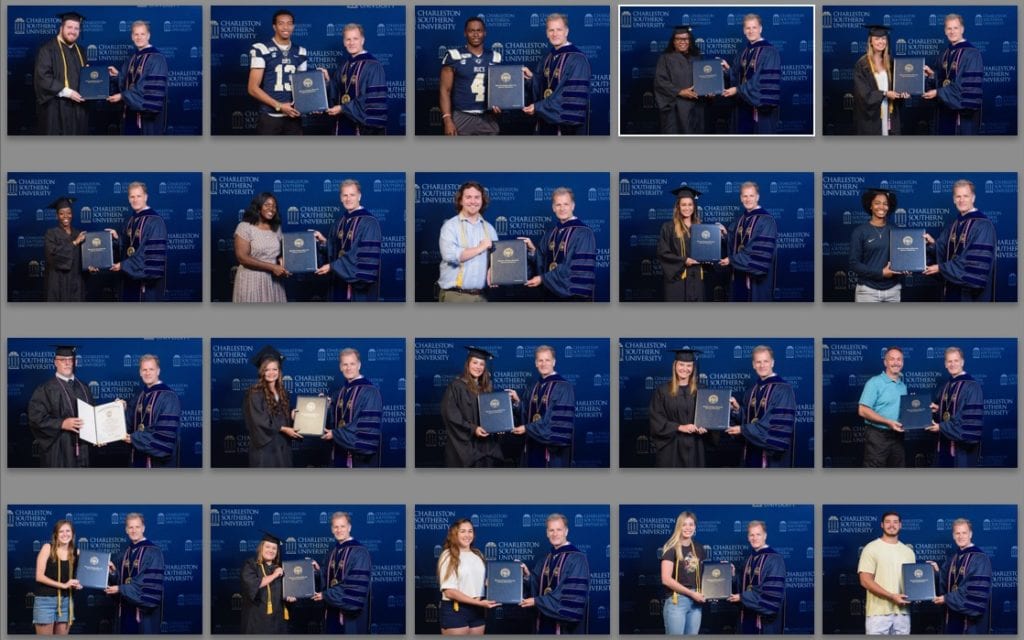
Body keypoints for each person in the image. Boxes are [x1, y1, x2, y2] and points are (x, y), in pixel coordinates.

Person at [923, 179, 996, 302]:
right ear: (954, 200)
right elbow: (944, 252)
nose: (961, 200)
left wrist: (941, 268)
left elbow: (975, 265)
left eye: (966, 196)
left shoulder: (983, 226)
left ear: (973, 198)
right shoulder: (953, 225)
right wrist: (932, 244)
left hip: (970, 297)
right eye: (958, 196)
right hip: (950, 291)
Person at [521, 187, 597, 300]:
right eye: (558, 205)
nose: (562, 208)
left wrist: (543, 279)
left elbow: (573, 267)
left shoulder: (583, 233)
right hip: (551, 294)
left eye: (566, 204)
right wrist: (533, 251)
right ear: (553, 208)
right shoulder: (550, 233)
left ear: (573, 206)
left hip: (574, 298)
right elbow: (543, 261)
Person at [725, 345, 795, 468]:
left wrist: (743, 430)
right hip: (750, 452)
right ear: (753, 365)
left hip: (771, 459)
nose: (762, 365)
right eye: (758, 362)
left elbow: (775, 426)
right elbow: (750, 419)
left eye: (765, 361)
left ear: (772, 363)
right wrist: (737, 410)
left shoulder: (783, 390)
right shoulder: (751, 390)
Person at [521, 513, 590, 634]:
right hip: (543, 624)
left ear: (566, 531)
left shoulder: (577, 559)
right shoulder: (544, 560)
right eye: (551, 530)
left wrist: (537, 601)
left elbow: (572, 601)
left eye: (559, 529)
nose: (555, 534)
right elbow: (536, 586)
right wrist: (527, 576)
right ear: (547, 533)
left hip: (564, 630)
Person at [27, 345, 95, 467]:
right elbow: (35, 419)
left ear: (75, 362)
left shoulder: (84, 387)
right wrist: (62, 424)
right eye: (62, 360)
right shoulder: (45, 389)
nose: (67, 363)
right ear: (55, 362)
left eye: (70, 359)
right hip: (58, 450)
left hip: (83, 449)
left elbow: (93, 416)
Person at [313, 179, 381, 301]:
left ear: (359, 196)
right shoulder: (339, 223)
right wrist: (324, 242)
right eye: (345, 195)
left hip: (358, 290)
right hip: (338, 283)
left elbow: (365, 258)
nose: (348, 199)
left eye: (352, 195)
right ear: (341, 198)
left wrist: (332, 267)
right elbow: (335, 250)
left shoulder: (369, 223)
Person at [523, 14, 591, 135]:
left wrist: (539, 107)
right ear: (547, 33)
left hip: (566, 132)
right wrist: (531, 78)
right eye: (551, 30)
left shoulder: (577, 59)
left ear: (566, 31)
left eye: (559, 29)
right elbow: (543, 87)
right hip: (544, 125)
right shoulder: (547, 59)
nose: (555, 34)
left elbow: (570, 98)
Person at [509, 345, 576, 467]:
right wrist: (518, 402)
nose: (543, 364)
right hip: (531, 446)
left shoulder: (564, 387)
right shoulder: (533, 387)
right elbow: (526, 414)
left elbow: (557, 423)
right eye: (540, 360)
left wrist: (527, 429)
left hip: (551, 454)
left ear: (554, 362)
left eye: (547, 360)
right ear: (536, 363)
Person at [441, 346, 504, 467]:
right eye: (475, 363)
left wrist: (498, 425)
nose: (478, 367)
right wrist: (473, 428)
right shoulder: (456, 386)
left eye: (482, 364)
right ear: (468, 364)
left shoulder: (486, 388)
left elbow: (493, 413)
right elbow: (450, 415)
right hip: (464, 448)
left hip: (485, 446)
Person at [248, 10, 308, 135]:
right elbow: (252, 88)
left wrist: (312, 103)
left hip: (293, 116)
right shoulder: (261, 49)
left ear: (293, 26)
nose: (286, 27)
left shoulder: (301, 52)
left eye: (289, 23)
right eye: (281, 23)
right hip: (270, 117)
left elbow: (302, 87)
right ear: (274, 27)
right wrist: (279, 106)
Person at [437, 182, 499, 303]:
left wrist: (494, 270)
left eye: (477, 197)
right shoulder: (450, 226)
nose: (473, 201)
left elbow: (497, 258)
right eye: (468, 197)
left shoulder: (489, 229)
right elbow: (450, 256)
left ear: (482, 201)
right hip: (456, 296)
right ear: (460, 201)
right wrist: (480, 248)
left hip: (482, 296)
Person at [928, 519, 992, 634]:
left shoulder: (980, 558)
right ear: (953, 536)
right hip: (951, 618)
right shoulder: (953, 559)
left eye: (964, 533)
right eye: (957, 533)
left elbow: (974, 591)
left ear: (970, 534)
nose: (961, 536)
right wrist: (936, 573)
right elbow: (945, 584)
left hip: (970, 625)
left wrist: (946, 599)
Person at [439, 17, 501, 136]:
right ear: (465, 33)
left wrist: (499, 104)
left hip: (488, 117)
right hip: (462, 116)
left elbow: (499, 88)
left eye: (479, 30)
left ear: (485, 33)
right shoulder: (454, 56)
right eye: (471, 31)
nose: (476, 34)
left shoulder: (494, 57)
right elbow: (445, 90)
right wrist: (447, 120)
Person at [923, 14, 983, 135]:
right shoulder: (945, 54)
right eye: (949, 28)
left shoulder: (972, 54)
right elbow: (943, 80)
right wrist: (931, 75)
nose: (952, 31)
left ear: (962, 29)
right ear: (945, 31)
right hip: (944, 111)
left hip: (962, 117)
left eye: (956, 28)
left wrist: (938, 92)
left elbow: (967, 88)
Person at [312, 512, 372, 633]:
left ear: (349, 527)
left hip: (349, 617)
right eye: (336, 527)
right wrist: (319, 571)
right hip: (331, 611)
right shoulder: (332, 552)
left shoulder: (360, 552)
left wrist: (326, 595)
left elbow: (355, 586)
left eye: (342, 526)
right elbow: (329, 577)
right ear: (332, 529)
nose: (339, 530)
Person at [650, 349, 711, 468]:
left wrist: (705, 426)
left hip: (695, 445)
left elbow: (709, 415)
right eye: (681, 364)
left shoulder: (702, 389)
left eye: (689, 365)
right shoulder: (662, 391)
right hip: (671, 446)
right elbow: (656, 419)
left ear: (693, 368)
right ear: (675, 366)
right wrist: (679, 427)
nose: (685, 368)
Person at [857, 511, 915, 635]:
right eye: (888, 522)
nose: (892, 525)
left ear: (900, 525)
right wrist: (891, 596)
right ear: (882, 525)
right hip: (878, 614)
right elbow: (865, 580)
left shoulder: (908, 552)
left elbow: (913, 582)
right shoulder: (871, 548)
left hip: (903, 613)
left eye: (895, 522)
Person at [105, 513, 164, 634]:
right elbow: (120, 580)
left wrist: (120, 589)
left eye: (137, 527)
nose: (134, 530)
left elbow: (147, 585)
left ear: (143, 528)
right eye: (130, 527)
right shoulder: (125, 553)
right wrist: (113, 573)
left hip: (143, 615)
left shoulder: (153, 552)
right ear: (126, 530)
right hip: (125, 610)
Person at [106, 21, 169, 135]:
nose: (139, 37)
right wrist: (117, 75)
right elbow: (128, 82)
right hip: (129, 114)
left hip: (146, 120)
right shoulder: (132, 58)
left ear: (148, 36)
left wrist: (122, 96)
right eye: (136, 34)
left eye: (142, 34)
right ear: (132, 37)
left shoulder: (157, 59)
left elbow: (149, 89)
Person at [437, 518, 498, 634]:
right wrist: (479, 603)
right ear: (454, 534)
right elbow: (449, 592)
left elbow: (478, 581)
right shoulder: (448, 555)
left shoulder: (478, 554)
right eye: (462, 531)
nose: (467, 535)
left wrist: (494, 583)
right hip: (456, 610)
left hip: (478, 610)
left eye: (470, 531)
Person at [323, 348, 382, 468]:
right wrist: (323, 407)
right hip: (338, 455)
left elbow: (365, 428)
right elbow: (333, 420)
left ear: (359, 365)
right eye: (345, 364)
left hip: (359, 461)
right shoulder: (339, 393)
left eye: (352, 364)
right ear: (340, 367)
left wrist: (335, 434)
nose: (348, 368)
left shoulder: (370, 392)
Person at [243, 345, 301, 467]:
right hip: (265, 449)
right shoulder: (254, 393)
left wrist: (291, 415)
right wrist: (284, 429)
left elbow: (282, 417)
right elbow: (259, 421)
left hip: (282, 445)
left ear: (279, 371)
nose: (271, 373)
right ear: (262, 372)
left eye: (275, 369)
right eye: (267, 369)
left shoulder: (283, 392)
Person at [721, 14, 781, 134]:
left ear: (760, 29)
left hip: (760, 108)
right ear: (744, 31)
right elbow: (739, 76)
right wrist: (728, 70)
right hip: (743, 104)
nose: (751, 31)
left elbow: (763, 81)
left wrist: (738, 90)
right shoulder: (744, 52)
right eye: (748, 28)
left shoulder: (770, 52)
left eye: (754, 27)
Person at [324, 24, 387, 135]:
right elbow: (335, 92)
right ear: (344, 42)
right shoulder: (343, 67)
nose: (351, 43)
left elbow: (372, 100)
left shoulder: (373, 66)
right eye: (348, 39)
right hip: (342, 125)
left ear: (362, 40)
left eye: (355, 39)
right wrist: (327, 81)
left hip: (364, 131)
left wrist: (343, 108)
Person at [925, 347, 983, 468]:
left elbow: (969, 423)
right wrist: (938, 409)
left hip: (961, 451)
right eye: (949, 361)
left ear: (962, 362)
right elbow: (949, 412)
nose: (952, 364)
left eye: (956, 361)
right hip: (943, 445)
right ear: (945, 364)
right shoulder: (946, 386)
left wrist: (940, 427)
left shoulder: (972, 387)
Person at [110, 182, 167, 302]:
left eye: (139, 196)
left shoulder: (155, 221)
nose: (135, 200)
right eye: (132, 196)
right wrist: (116, 239)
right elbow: (128, 248)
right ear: (128, 199)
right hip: (128, 280)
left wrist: (123, 265)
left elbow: (150, 258)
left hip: (145, 287)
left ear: (146, 197)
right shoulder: (130, 220)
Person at [33, 12, 88, 135]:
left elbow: (85, 77)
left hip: (78, 109)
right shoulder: (47, 50)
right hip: (56, 110)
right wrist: (68, 93)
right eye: (69, 27)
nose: (73, 31)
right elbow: (43, 78)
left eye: (76, 28)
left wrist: (94, 76)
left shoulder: (81, 51)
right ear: (61, 28)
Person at [720, 182, 777, 302]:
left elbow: (759, 253)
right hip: (737, 277)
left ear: (757, 197)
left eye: (751, 195)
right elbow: (735, 244)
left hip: (755, 284)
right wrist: (725, 234)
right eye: (745, 196)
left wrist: (731, 260)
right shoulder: (740, 220)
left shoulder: (766, 221)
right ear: (741, 198)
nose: (748, 199)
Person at [656, 186, 715, 302]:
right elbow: (662, 253)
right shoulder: (668, 228)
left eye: (690, 204)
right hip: (677, 280)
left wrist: (720, 236)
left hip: (696, 278)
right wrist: (684, 260)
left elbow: (709, 252)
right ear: (678, 207)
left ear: (694, 207)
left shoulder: (701, 228)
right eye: (683, 205)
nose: (687, 208)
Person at [727, 521, 785, 634]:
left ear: (765, 536)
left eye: (758, 534)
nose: (755, 538)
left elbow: (771, 595)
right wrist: (733, 575)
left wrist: (742, 597)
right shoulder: (749, 559)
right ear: (748, 538)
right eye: (751, 535)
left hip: (764, 623)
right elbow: (742, 586)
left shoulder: (775, 560)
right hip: (746, 617)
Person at [123, 354, 180, 468]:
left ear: (158, 371)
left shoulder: (169, 397)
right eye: (144, 370)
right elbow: (127, 425)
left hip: (158, 465)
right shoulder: (139, 397)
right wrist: (120, 410)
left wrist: (134, 439)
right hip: (136, 460)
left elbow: (164, 438)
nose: (147, 373)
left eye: (151, 369)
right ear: (140, 372)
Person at [233, 192, 289, 303]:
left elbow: (278, 253)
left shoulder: (276, 228)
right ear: (258, 207)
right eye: (267, 205)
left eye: (274, 206)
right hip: (251, 280)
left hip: (274, 281)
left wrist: (283, 261)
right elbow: (242, 258)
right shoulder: (244, 227)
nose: (271, 209)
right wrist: (272, 267)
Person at [858, 346, 908, 468]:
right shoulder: (874, 383)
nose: (896, 362)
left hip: (897, 436)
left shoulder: (902, 386)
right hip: (877, 436)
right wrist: (888, 422)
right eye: (892, 359)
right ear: (885, 362)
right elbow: (862, 410)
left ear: (902, 362)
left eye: (899, 359)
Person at [852, 25, 907, 135]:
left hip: (889, 112)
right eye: (877, 39)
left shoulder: (890, 62)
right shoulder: (862, 64)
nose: (881, 42)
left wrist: (902, 94)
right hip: (872, 117)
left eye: (883, 38)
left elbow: (897, 86)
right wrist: (885, 94)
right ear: (870, 42)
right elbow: (862, 95)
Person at [850, 188, 902, 302]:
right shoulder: (860, 232)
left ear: (889, 207)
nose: (881, 207)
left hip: (893, 291)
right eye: (877, 203)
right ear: (870, 206)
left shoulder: (896, 231)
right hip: (867, 291)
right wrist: (881, 273)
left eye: (885, 204)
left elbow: (903, 257)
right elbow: (854, 263)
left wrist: (906, 267)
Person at [654, 26, 707, 134]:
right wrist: (680, 92)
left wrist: (709, 90)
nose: (682, 42)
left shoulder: (697, 58)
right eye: (678, 39)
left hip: (696, 107)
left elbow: (704, 79)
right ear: (673, 42)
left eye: (686, 39)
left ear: (690, 41)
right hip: (676, 108)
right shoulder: (665, 58)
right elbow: (660, 82)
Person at [659, 511, 706, 635]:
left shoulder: (699, 548)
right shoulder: (671, 548)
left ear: (695, 527)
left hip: (696, 602)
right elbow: (666, 579)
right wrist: (691, 593)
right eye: (684, 524)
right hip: (677, 601)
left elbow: (705, 575)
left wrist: (724, 569)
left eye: (691, 524)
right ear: (679, 526)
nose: (688, 528)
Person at [34, 519, 81, 635]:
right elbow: (39, 576)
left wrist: (78, 584)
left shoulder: (76, 552)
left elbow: (86, 570)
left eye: (68, 531)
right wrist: (64, 585)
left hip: (66, 602)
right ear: (56, 534)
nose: (65, 534)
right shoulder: (47, 548)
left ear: (73, 534)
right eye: (61, 531)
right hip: (45, 601)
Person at [240, 531, 292, 634]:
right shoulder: (251, 565)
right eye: (267, 547)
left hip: (277, 622)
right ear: (261, 548)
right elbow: (253, 585)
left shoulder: (281, 569)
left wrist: (289, 598)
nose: (271, 550)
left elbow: (284, 593)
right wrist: (274, 575)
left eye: (274, 548)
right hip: (257, 621)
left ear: (277, 552)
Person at [43, 196, 87, 302]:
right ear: (57, 216)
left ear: (72, 214)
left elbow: (82, 259)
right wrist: (75, 243)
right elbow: (53, 256)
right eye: (61, 213)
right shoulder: (51, 234)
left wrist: (89, 268)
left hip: (75, 282)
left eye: (69, 213)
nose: (66, 216)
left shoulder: (77, 233)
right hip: (58, 282)